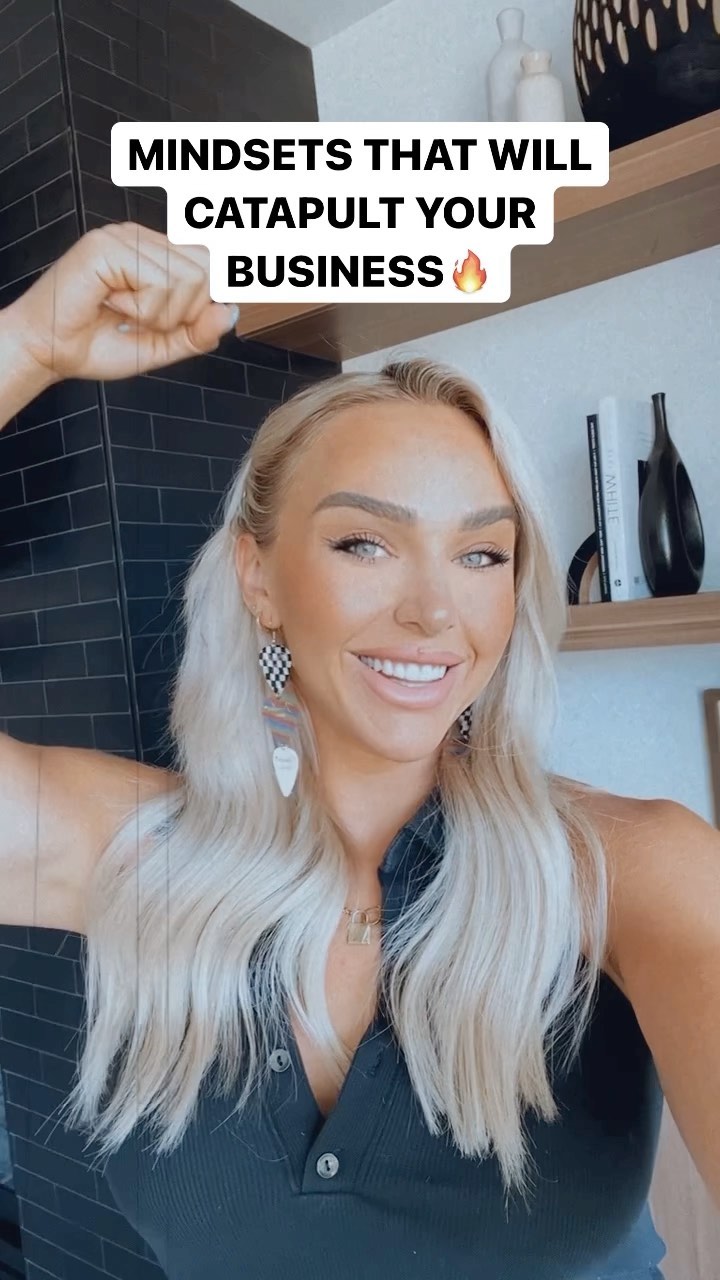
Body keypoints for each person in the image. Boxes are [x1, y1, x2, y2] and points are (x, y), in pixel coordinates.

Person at [0, 222, 718, 1280]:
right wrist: (25, 342)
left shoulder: (638, 872)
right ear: (258, 578)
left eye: (482, 553)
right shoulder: (140, 852)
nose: (434, 611)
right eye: (365, 542)